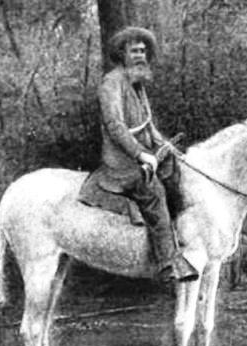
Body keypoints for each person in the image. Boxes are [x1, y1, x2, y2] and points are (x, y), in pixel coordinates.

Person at [78, 27, 197, 282]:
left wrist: (165, 146)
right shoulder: (111, 83)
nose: (140, 55)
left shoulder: (138, 83)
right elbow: (115, 126)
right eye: (134, 51)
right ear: (122, 54)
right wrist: (142, 155)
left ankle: (185, 238)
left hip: (143, 153)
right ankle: (168, 262)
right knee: (154, 192)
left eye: (143, 50)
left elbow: (148, 126)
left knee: (175, 171)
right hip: (120, 161)